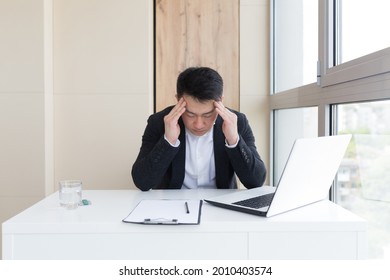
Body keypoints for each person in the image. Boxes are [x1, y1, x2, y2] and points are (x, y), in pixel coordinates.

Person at [132, 66, 266, 191]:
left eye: (207, 115)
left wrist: (234, 140)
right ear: (178, 100)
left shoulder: (237, 121)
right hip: (173, 206)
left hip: (221, 205)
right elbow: (142, 182)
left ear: (220, 101)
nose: (198, 124)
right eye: (190, 114)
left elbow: (255, 182)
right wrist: (168, 140)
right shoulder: (159, 122)